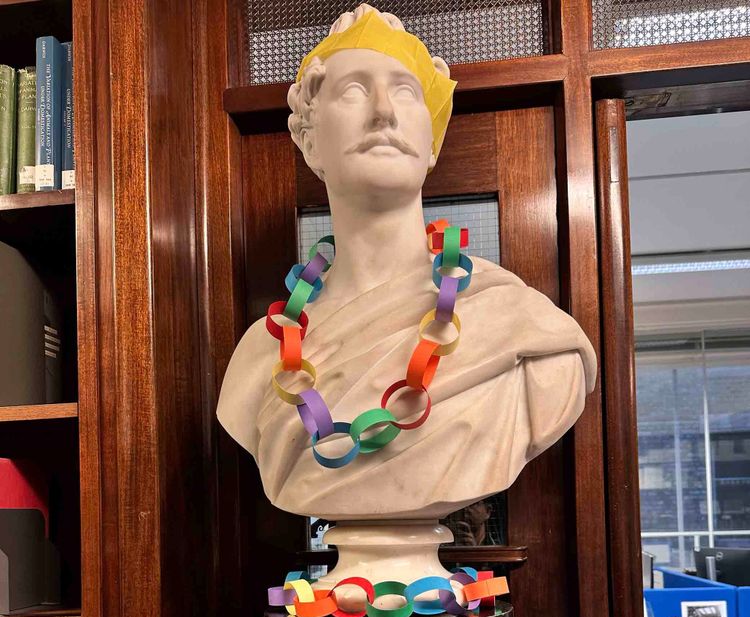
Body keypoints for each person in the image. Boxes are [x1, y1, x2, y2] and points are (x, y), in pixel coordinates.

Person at [217, 4, 597, 524]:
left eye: (404, 91)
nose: (383, 113)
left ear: (432, 141)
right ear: (309, 140)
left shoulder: (526, 332)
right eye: (353, 90)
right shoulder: (260, 360)